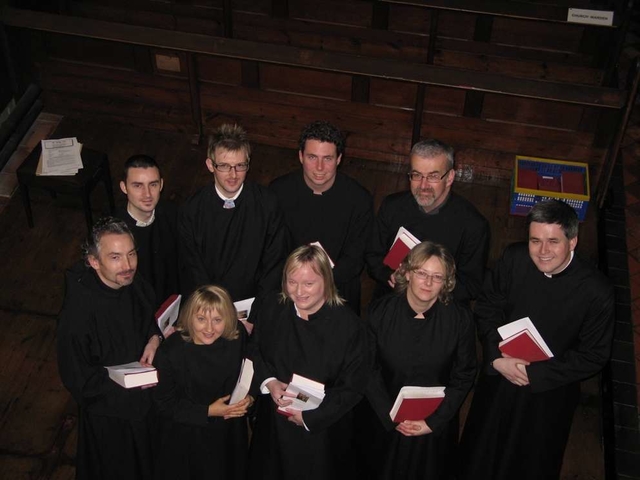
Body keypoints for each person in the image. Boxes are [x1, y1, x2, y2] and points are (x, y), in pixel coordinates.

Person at [458, 199, 615, 480]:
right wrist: (495, 357)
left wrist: (535, 373)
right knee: (481, 453)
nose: (543, 252)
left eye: (553, 241)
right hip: (500, 377)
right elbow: (487, 306)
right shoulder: (514, 258)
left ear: (573, 241)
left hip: (549, 391)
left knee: (530, 461)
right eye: (535, 240)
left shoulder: (596, 291)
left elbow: (594, 355)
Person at [247, 244, 370, 480]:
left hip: (322, 431)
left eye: (308, 284)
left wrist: (311, 418)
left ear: (326, 281)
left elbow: (353, 387)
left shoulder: (349, 326)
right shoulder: (272, 307)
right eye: (292, 282)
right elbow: (254, 350)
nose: (299, 292)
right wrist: (270, 381)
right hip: (274, 423)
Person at [57, 217, 162, 480]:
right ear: (94, 262)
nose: (127, 266)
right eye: (115, 257)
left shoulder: (131, 281)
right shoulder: (78, 314)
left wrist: (154, 337)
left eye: (131, 254)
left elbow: (150, 316)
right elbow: (78, 378)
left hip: (145, 403)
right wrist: (131, 380)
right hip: (111, 417)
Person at [364, 241, 476, 480]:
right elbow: (367, 369)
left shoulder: (459, 319)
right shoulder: (379, 312)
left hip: (434, 423)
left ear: (447, 282)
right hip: (385, 418)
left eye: (437, 277)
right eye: (421, 273)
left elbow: (464, 374)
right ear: (406, 272)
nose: (428, 282)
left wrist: (433, 422)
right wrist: (390, 416)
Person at [365, 139, 489, 303]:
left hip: (441, 308)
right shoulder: (392, 206)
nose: (423, 185)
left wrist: (428, 289)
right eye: (416, 175)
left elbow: (471, 285)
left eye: (433, 176)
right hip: (392, 298)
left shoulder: (473, 225)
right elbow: (373, 255)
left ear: (450, 177)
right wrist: (388, 274)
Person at [270, 121, 373, 314]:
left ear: (339, 159)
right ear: (300, 156)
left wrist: (318, 283)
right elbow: (273, 249)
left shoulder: (359, 199)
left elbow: (355, 259)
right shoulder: (278, 192)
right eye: (312, 157)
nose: (319, 167)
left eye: (327, 158)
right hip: (291, 287)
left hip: (336, 288)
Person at [179, 123, 290, 301]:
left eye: (240, 166)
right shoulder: (192, 210)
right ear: (210, 165)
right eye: (224, 166)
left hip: (255, 305)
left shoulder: (267, 204)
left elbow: (275, 262)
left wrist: (257, 311)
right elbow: (193, 269)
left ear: (248, 164)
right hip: (211, 305)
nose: (233, 175)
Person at [153, 285, 254, 480]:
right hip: (187, 437)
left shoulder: (237, 337)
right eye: (201, 319)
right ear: (189, 317)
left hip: (228, 433)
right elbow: (163, 404)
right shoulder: (170, 352)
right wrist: (208, 411)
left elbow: (251, 369)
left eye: (217, 320)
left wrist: (249, 397)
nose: (209, 328)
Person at [115, 154, 179, 307]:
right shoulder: (114, 233)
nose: (147, 194)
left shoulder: (173, 214)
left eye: (153, 184)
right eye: (138, 186)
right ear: (124, 187)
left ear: (161, 185)